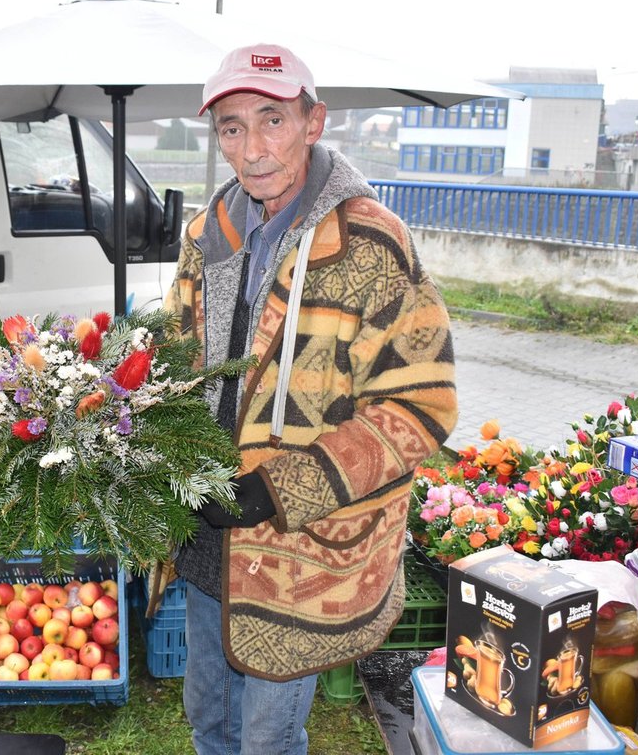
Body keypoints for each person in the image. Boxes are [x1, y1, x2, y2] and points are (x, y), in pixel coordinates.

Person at [163, 43, 458, 755]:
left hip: (303, 548)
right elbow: (175, 354)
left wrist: (277, 488)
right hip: (206, 533)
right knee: (209, 722)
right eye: (232, 127)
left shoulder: (369, 244)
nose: (252, 148)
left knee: (267, 739)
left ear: (313, 121)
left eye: (272, 120)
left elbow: (422, 406)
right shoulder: (206, 234)